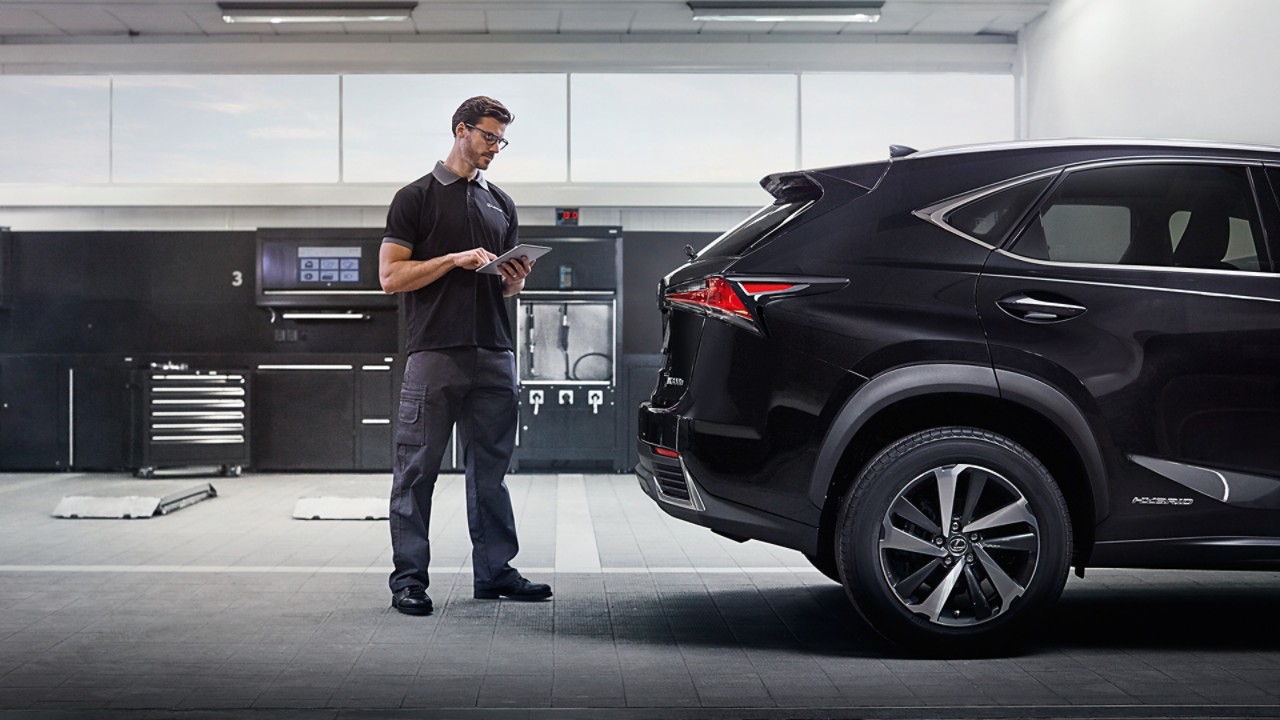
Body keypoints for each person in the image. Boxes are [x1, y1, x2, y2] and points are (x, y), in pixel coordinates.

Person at [379, 96, 551, 616]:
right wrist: (452, 259)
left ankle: (495, 573)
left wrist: (514, 282)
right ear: (461, 130)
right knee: (417, 471)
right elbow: (390, 278)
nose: (495, 149)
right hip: (435, 354)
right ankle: (409, 581)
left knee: (491, 474)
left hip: (495, 352)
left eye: (501, 140)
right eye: (489, 137)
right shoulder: (416, 197)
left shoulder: (501, 203)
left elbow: (503, 289)